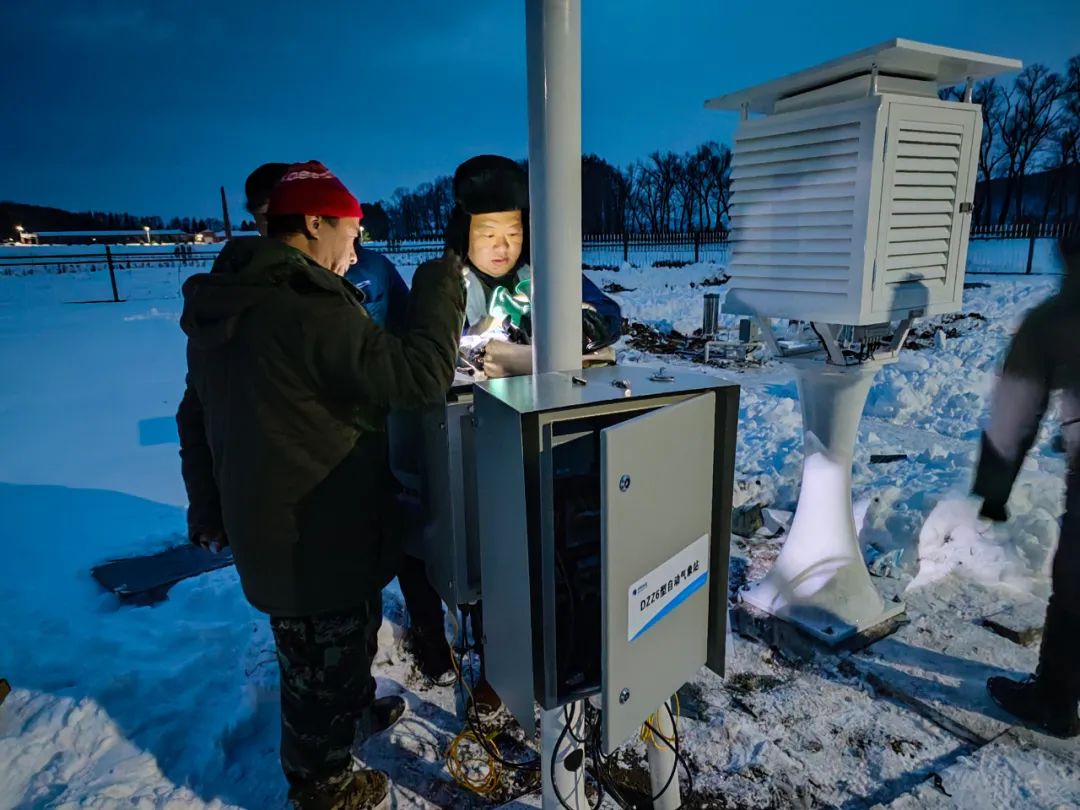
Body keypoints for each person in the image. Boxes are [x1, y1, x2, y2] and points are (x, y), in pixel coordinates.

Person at [176, 160, 466, 808]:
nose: (355, 252)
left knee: (341, 640)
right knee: (317, 668)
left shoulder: (235, 305)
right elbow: (417, 377)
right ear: (314, 223)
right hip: (313, 531)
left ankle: (351, 712)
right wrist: (441, 285)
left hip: (284, 524)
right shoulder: (303, 309)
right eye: (351, 234)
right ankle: (321, 781)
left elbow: (195, 416)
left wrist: (208, 503)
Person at [396, 154, 623, 720]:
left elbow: (603, 312)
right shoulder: (451, 282)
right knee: (489, 562)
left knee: (550, 552)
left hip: (545, 440)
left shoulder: (542, 274)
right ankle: (493, 667)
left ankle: (560, 653)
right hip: (471, 443)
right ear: (463, 233)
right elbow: (426, 351)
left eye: (514, 232)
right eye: (488, 233)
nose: (503, 245)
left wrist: (585, 325)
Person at [973, 235, 1080, 739]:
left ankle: (1055, 700)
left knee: (1076, 588)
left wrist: (994, 491)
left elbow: (1014, 409)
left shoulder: (1059, 317)